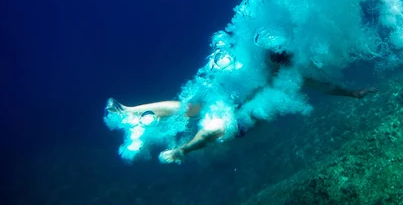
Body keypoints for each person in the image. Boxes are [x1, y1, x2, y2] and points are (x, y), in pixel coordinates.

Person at [105, 50, 377, 164]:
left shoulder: (293, 76)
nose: (274, 63)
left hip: (246, 118)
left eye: (279, 60)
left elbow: (324, 86)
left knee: (215, 127)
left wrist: (352, 93)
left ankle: (180, 151)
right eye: (273, 58)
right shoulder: (254, 59)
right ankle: (129, 111)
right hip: (228, 100)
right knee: (188, 107)